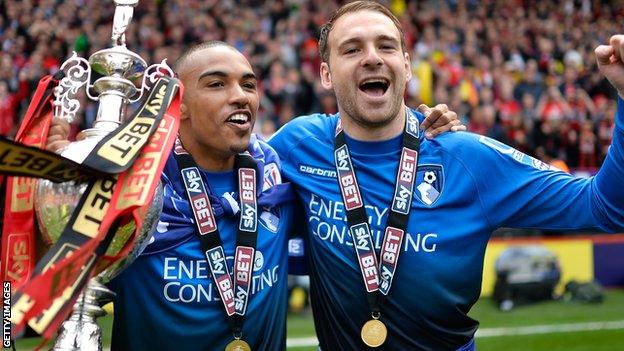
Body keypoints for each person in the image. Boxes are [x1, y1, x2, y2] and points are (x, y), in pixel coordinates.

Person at [44, 39, 461, 350]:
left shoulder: (280, 172)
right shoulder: (137, 188)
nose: (240, 95)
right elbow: (44, 282)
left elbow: (369, 160)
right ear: (178, 103)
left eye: (248, 84)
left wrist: (418, 127)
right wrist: (50, 189)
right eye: (217, 84)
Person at [268, 1, 624, 350]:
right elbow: (223, 169)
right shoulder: (299, 145)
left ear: (406, 67)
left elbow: (604, 207)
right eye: (352, 49)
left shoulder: (468, 158)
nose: (373, 57)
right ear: (326, 74)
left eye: (386, 46)